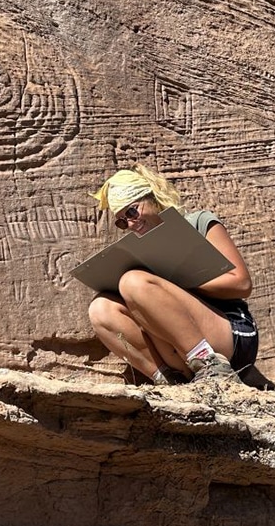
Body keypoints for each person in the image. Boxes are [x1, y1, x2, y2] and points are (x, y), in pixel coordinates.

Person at [88, 163, 259, 386]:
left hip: (232, 335)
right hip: (178, 350)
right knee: (100, 308)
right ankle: (170, 381)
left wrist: (177, 282)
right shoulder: (140, 252)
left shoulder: (199, 222)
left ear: (153, 198)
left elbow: (242, 284)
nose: (130, 223)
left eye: (132, 211)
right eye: (122, 221)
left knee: (133, 282)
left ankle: (212, 366)